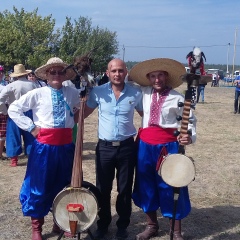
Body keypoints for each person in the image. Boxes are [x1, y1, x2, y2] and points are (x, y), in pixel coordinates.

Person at [7, 57, 79, 240]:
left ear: (64, 75)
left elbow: (79, 109)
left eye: (60, 71)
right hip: (44, 148)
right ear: (46, 75)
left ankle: (60, 222)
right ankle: (37, 227)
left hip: (66, 148)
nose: (56, 74)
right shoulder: (37, 93)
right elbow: (14, 109)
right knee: (39, 186)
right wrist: (31, 127)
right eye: (52, 71)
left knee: (65, 185)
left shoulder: (72, 92)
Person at [129, 58, 197, 240]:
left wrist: (188, 136)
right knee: (146, 184)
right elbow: (124, 84)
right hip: (144, 146)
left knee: (172, 184)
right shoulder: (142, 93)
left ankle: (175, 231)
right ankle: (151, 225)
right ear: (148, 78)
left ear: (166, 77)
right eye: (153, 76)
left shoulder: (178, 97)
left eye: (160, 75)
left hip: (168, 146)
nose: (157, 79)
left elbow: (189, 120)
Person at [84, 58, 143, 239]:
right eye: (113, 71)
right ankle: (103, 224)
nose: (117, 74)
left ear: (126, 72)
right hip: (105, 148)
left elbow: (146, 116)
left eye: (120, 70)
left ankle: (122, 225)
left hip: (126, 147)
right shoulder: (98, 92)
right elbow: (83, 114)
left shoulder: (136, 94)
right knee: (103, 188)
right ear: (107, 73)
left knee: (124, 189)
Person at [0, 64, 37, 166]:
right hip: (29, 111)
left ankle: (14, 160)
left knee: (13, 136)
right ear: (25, 73)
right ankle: (31, 156)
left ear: (16, 75)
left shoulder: (10, 86)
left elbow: (0, 100)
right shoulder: (33, 85)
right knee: (30, 134)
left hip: (14, 112)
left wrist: (5, 111)